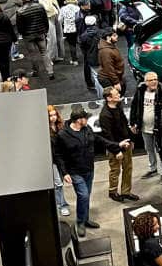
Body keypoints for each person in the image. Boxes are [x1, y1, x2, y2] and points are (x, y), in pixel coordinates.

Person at [54, 106, 99, 238]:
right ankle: (80, 222)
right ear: (79, 120)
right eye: (85, 118)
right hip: (74, 171)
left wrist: (115, 146)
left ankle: (85, 219)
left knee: (87, 195)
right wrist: (65, 173)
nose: (87, 120)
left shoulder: (87, 129)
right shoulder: (63, 135)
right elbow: (58, 155)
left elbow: (97, 140)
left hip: (88, 169)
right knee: (83, 195)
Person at [129, 70, 162, 179]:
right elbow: (134, 107)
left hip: (159, 128)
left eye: (155, 79)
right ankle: (153, 169)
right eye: (151, 80)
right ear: (146, 82)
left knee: (161, 149)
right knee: (149, 149)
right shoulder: (140, 91)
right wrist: (132, 123)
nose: (154, 82)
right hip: (144, 127)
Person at [98, 84, 137, 203]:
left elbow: (125, 124)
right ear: (109, 98)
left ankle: (126, 192)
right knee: (115, 170)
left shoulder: (118, 106)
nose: (119, 95)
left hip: (126, 143)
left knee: (128, 168)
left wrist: (131, 140)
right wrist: (117, 150)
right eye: (116, 94)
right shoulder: (105, 115)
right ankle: (113, 192)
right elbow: (107, 135)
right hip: (115, 147)